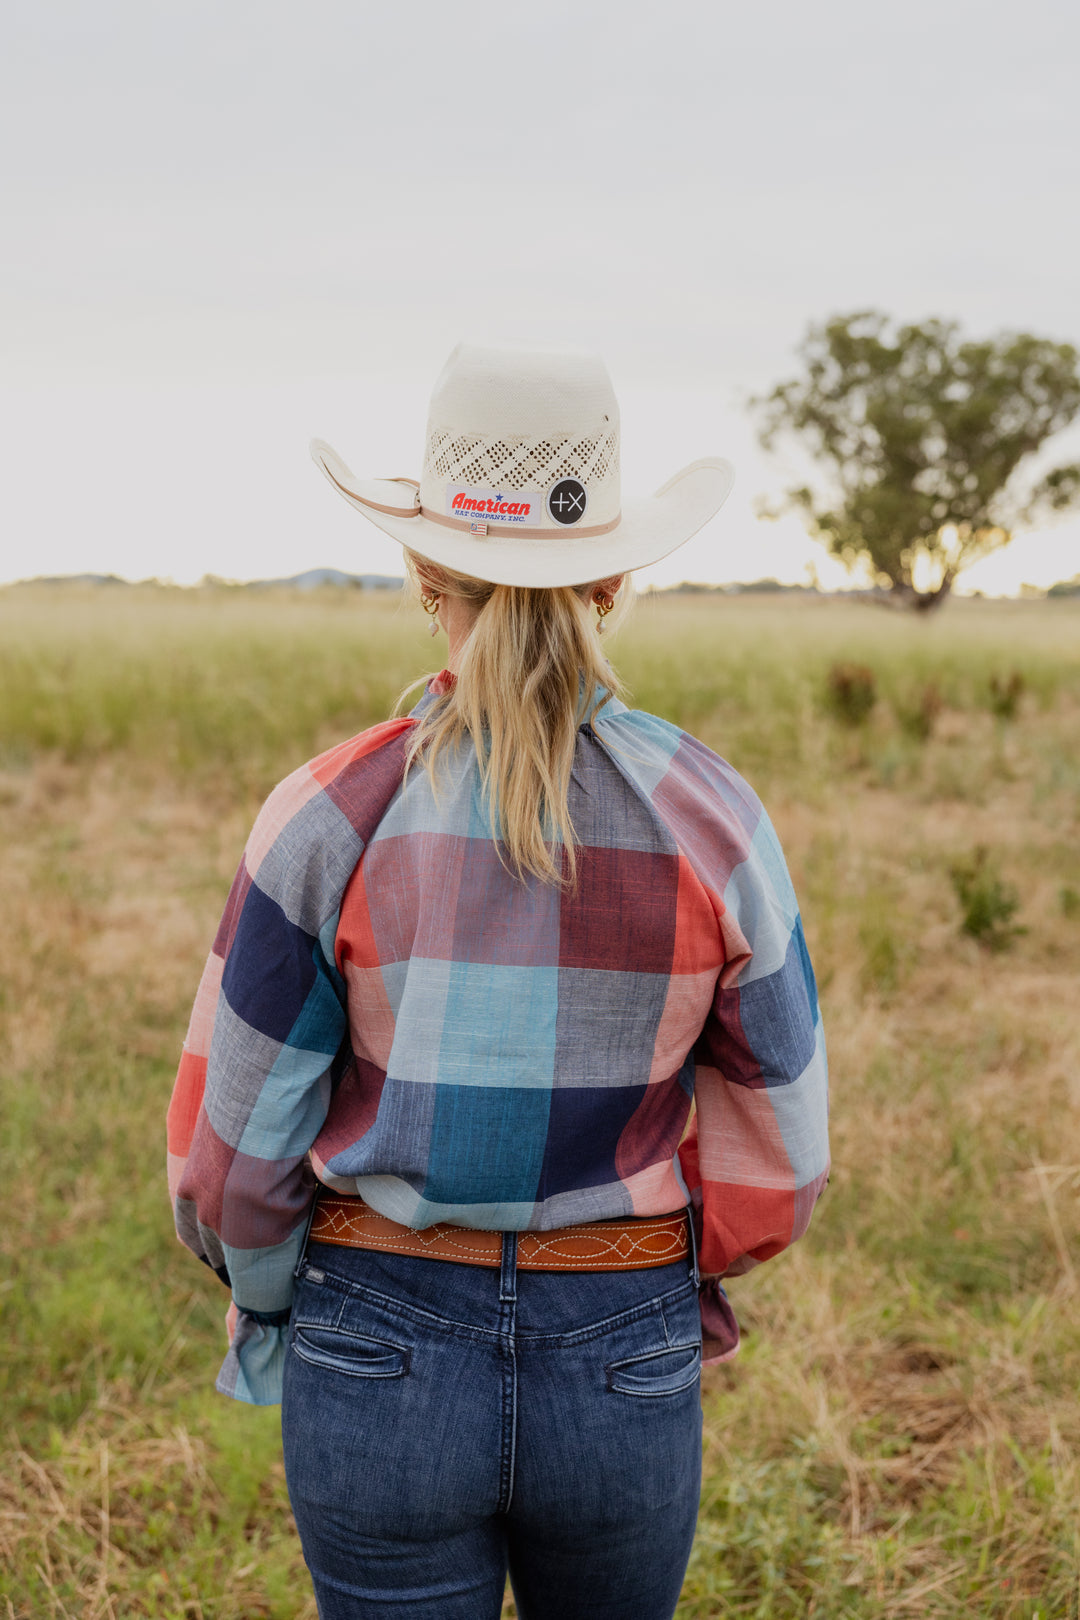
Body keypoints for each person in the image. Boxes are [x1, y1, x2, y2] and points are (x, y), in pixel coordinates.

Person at [166, 344, 830, 1620]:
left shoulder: (325, 812)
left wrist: (280, 1301)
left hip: (376, 1344)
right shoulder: (717, 819)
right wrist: (653, 1282)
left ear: (425, 574)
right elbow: (782, 1163)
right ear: (615, 579)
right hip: (625, 1346)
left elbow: (230, 1164)